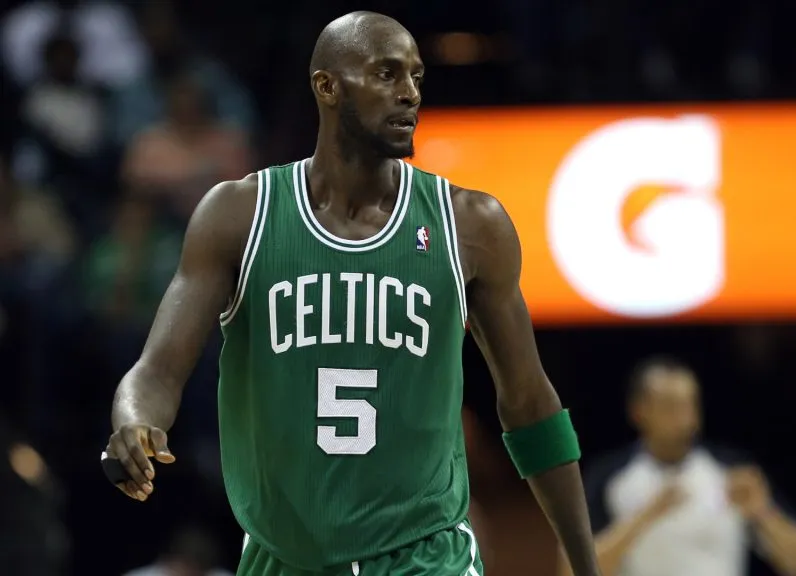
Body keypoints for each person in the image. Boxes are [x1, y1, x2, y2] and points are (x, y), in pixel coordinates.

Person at [102, 11, 599, 576]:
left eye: (416, 77)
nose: (409, 93)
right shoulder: (241, 215)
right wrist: (133, 420)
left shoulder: (470, 224)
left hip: (425, 558)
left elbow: (531, 404)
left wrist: (587, 564)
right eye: (387, 74)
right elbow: (156, 373)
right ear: (328, 86)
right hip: (283, 557)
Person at [570, 356, 796, 576]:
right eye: (670, 406)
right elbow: (573, 570)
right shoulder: (610, 477)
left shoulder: (732, 471)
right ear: (639, 411)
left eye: (689, 404)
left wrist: (762, 511)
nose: (684, 418)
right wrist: (644, 517)